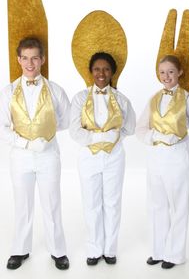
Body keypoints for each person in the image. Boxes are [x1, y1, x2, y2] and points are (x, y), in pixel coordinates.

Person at [0, 37, 70, 270]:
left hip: (48, 155)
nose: (30, 63)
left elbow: (66, 120)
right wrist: (26, 144)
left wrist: (43, 134)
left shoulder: (55, 90)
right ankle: (20, 250)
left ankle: (58, 251)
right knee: (23, 204)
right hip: (20, 157)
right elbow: (0, 127)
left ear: (42, 60)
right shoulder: (8, 92)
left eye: (35, 58)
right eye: (25, 58)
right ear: (18, 59)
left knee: (52, 203)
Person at [136, 55, 189, 269]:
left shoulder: (187, 99)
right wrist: (156, 138)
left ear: (180, 73)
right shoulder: (154, 99)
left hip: (178, 159)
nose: (166, 76)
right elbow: (140, 129)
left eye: (170, 72)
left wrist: (184, 146)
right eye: (162, 72)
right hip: (156, 158)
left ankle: (175, 254)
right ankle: (158, 251)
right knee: (157, 204)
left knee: (179, 206)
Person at [70, 52, 136, 266]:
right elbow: (74, 130)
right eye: (97, 69)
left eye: (106, 69)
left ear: (112, 72)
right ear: (90, 71)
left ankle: (110, 250)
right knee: (91, 203)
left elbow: (130, 127)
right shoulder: (80, 98)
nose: (101, 73)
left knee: (112, 203)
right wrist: (98, 138)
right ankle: (93, 249)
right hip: (88, 157)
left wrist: (113, 140)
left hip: (114, 157)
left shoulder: (121, 99)